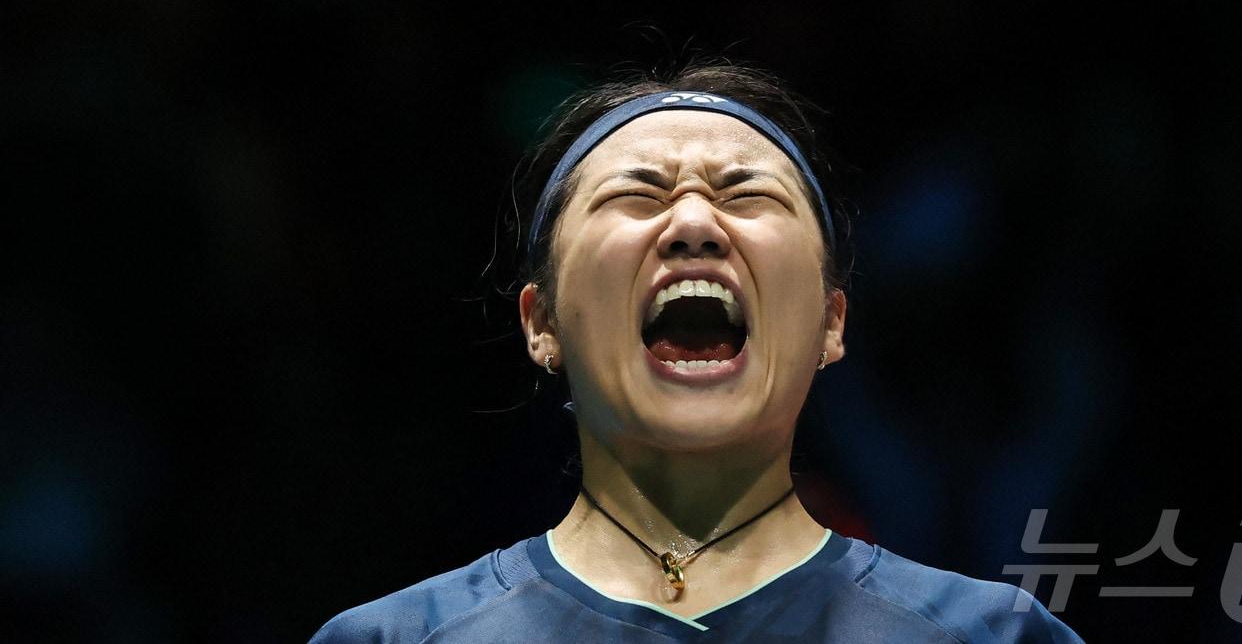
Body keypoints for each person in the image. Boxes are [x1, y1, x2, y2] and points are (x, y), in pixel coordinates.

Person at [309, 62, 1084, 642]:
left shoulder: (997, 635)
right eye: (635, 195)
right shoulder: (393, 640)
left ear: (830, 324)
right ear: (540, 323)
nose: (692, 223)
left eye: (747, 195)